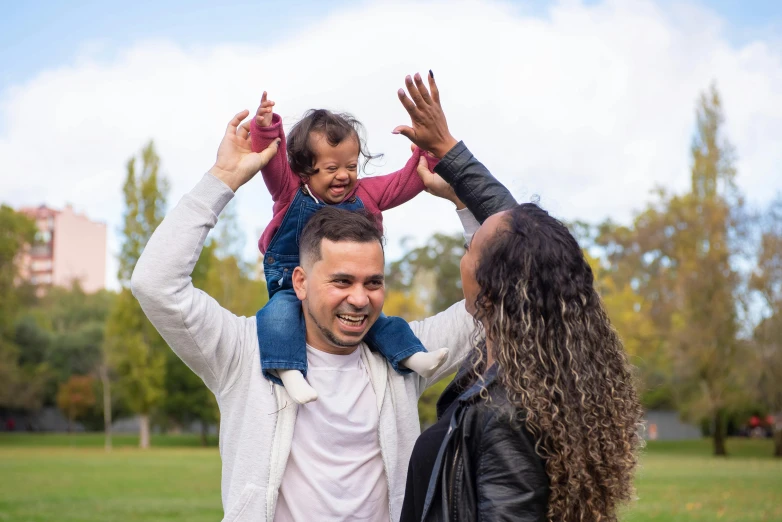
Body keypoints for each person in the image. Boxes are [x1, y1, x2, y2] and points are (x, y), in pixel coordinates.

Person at [131, 73, 508, 521]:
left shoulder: (402, 359)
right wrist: (222, 179)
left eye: (373, 283)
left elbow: (509, 293)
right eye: (342, 281)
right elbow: (154, 283)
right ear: (301, 281)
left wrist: (463, 199)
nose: (360, 299)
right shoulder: (243, 353)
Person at [395, 72, 645, 521]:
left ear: (491, 286)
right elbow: (523, 241)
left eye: (469, 247)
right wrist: (450, 153)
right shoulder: (526, 374)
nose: (464, 248)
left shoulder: (509, 414)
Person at [249, 94, 446, 404]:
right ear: (305, 169)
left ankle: (413, 357)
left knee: (379, 322)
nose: (344, 175)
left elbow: (406, 182)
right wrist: (266, 128)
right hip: (290, 283)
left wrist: (429, 150)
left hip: (348, 287)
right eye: (331, 168)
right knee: (277, 317)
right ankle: (289, 372)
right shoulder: (290, 192)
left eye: (351, 166)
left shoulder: (365, 194)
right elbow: (271, 162)